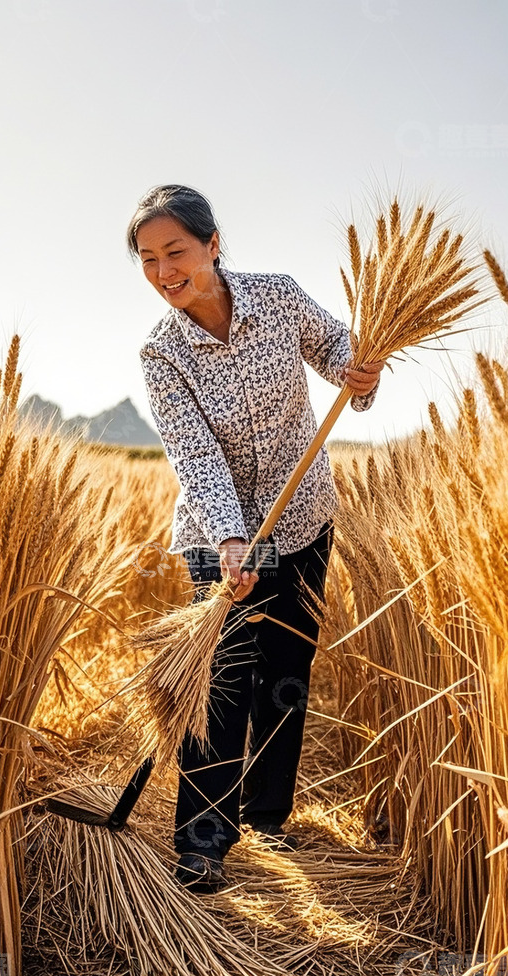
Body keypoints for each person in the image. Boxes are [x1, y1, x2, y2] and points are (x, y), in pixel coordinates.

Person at [127, 184, 382, 894]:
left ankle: (266, 814)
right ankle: (204, 839)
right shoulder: (161, 354)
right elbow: (193, 452)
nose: (164, 270)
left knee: (285, 672)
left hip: (302, 517)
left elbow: (337, 348)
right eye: (148, 259)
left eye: (175, 251)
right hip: (221, 532)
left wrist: (358, 374)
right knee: (221, 680)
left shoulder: (277, 297)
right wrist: (233, 539)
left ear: (213, 244)